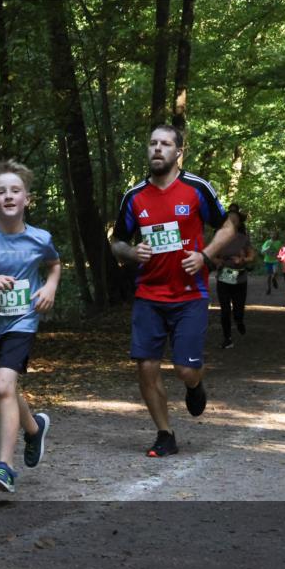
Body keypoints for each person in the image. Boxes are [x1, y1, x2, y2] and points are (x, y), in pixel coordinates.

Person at [111, 125, 238, 458]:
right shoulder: (134, 196)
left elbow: (229, 225)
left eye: (165, 144)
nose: (157, 149)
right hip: (148, 296)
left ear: (179, 152)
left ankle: (194, 384)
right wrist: (130, 253)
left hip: (189, 295)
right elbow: (117, 241)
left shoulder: (196, 188)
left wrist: (206, 256)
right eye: (152, 143)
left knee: (184, 368)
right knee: (146, 367)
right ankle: (164, 433)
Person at [0, 161, 61, 493]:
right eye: (0, 191)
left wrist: (49, 287)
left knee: (3, 387)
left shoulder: (40, 238)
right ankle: (33, 429)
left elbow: (54, 264)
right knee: (7, 388)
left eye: (15, 191)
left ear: (26, 199)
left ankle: (5, 466)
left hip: (23, 321)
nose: (8, 196)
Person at [215, 205, 255, 349]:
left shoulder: (243, 239)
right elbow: (211, 255)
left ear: (239, 223)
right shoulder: (218, 237)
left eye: (235, 220)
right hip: (225, 276)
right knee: (225, 309)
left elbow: (252, 256)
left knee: (238, 309)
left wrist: (243, 260)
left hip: (240, 277)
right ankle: (227, 338)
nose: (232, 222)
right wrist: (218, 262)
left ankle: (239, 320)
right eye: (229, 220)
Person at [260, 229, 280, 295]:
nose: (273, 235)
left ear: (276, 235)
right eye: (272, 234)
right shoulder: (267, 242)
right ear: (270, 235)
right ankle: (269, 288)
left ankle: (274, 280)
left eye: (274, 234)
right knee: (269, 275)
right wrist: (266, 249)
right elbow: (262, 251)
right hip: (267, 260)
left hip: (275, 260)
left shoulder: (278, 242)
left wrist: (279, 255)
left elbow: (281, 251)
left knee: (275, 272)